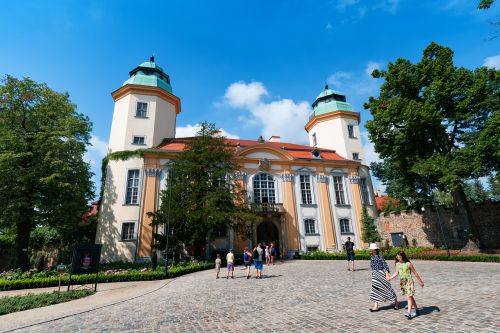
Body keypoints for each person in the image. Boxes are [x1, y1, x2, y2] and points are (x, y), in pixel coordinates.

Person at [388, 251, 425, 319]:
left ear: (403, 257)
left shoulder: (408, 264)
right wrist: (390, 278)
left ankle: (409, 312)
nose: (398, 258)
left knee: (408, 297)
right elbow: (396, 273)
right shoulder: (397, 264)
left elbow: (415, 273)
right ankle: (417, 310)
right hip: (402, 282)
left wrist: (420, 282)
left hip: (409, 282)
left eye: (399, 257)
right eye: (397, 257)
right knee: (410, 297)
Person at [369, 243, 398, 312]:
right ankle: (376, 306)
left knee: (388, 288)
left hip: (381, 273)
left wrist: (387, 274)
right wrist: (373, 274)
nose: (370, 250)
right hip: (374, 274)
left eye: (371, 249)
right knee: (375, 289)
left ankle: (396, 303)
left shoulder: (380, 256)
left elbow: (385, 265)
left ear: (375, 250)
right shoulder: (371, 256)